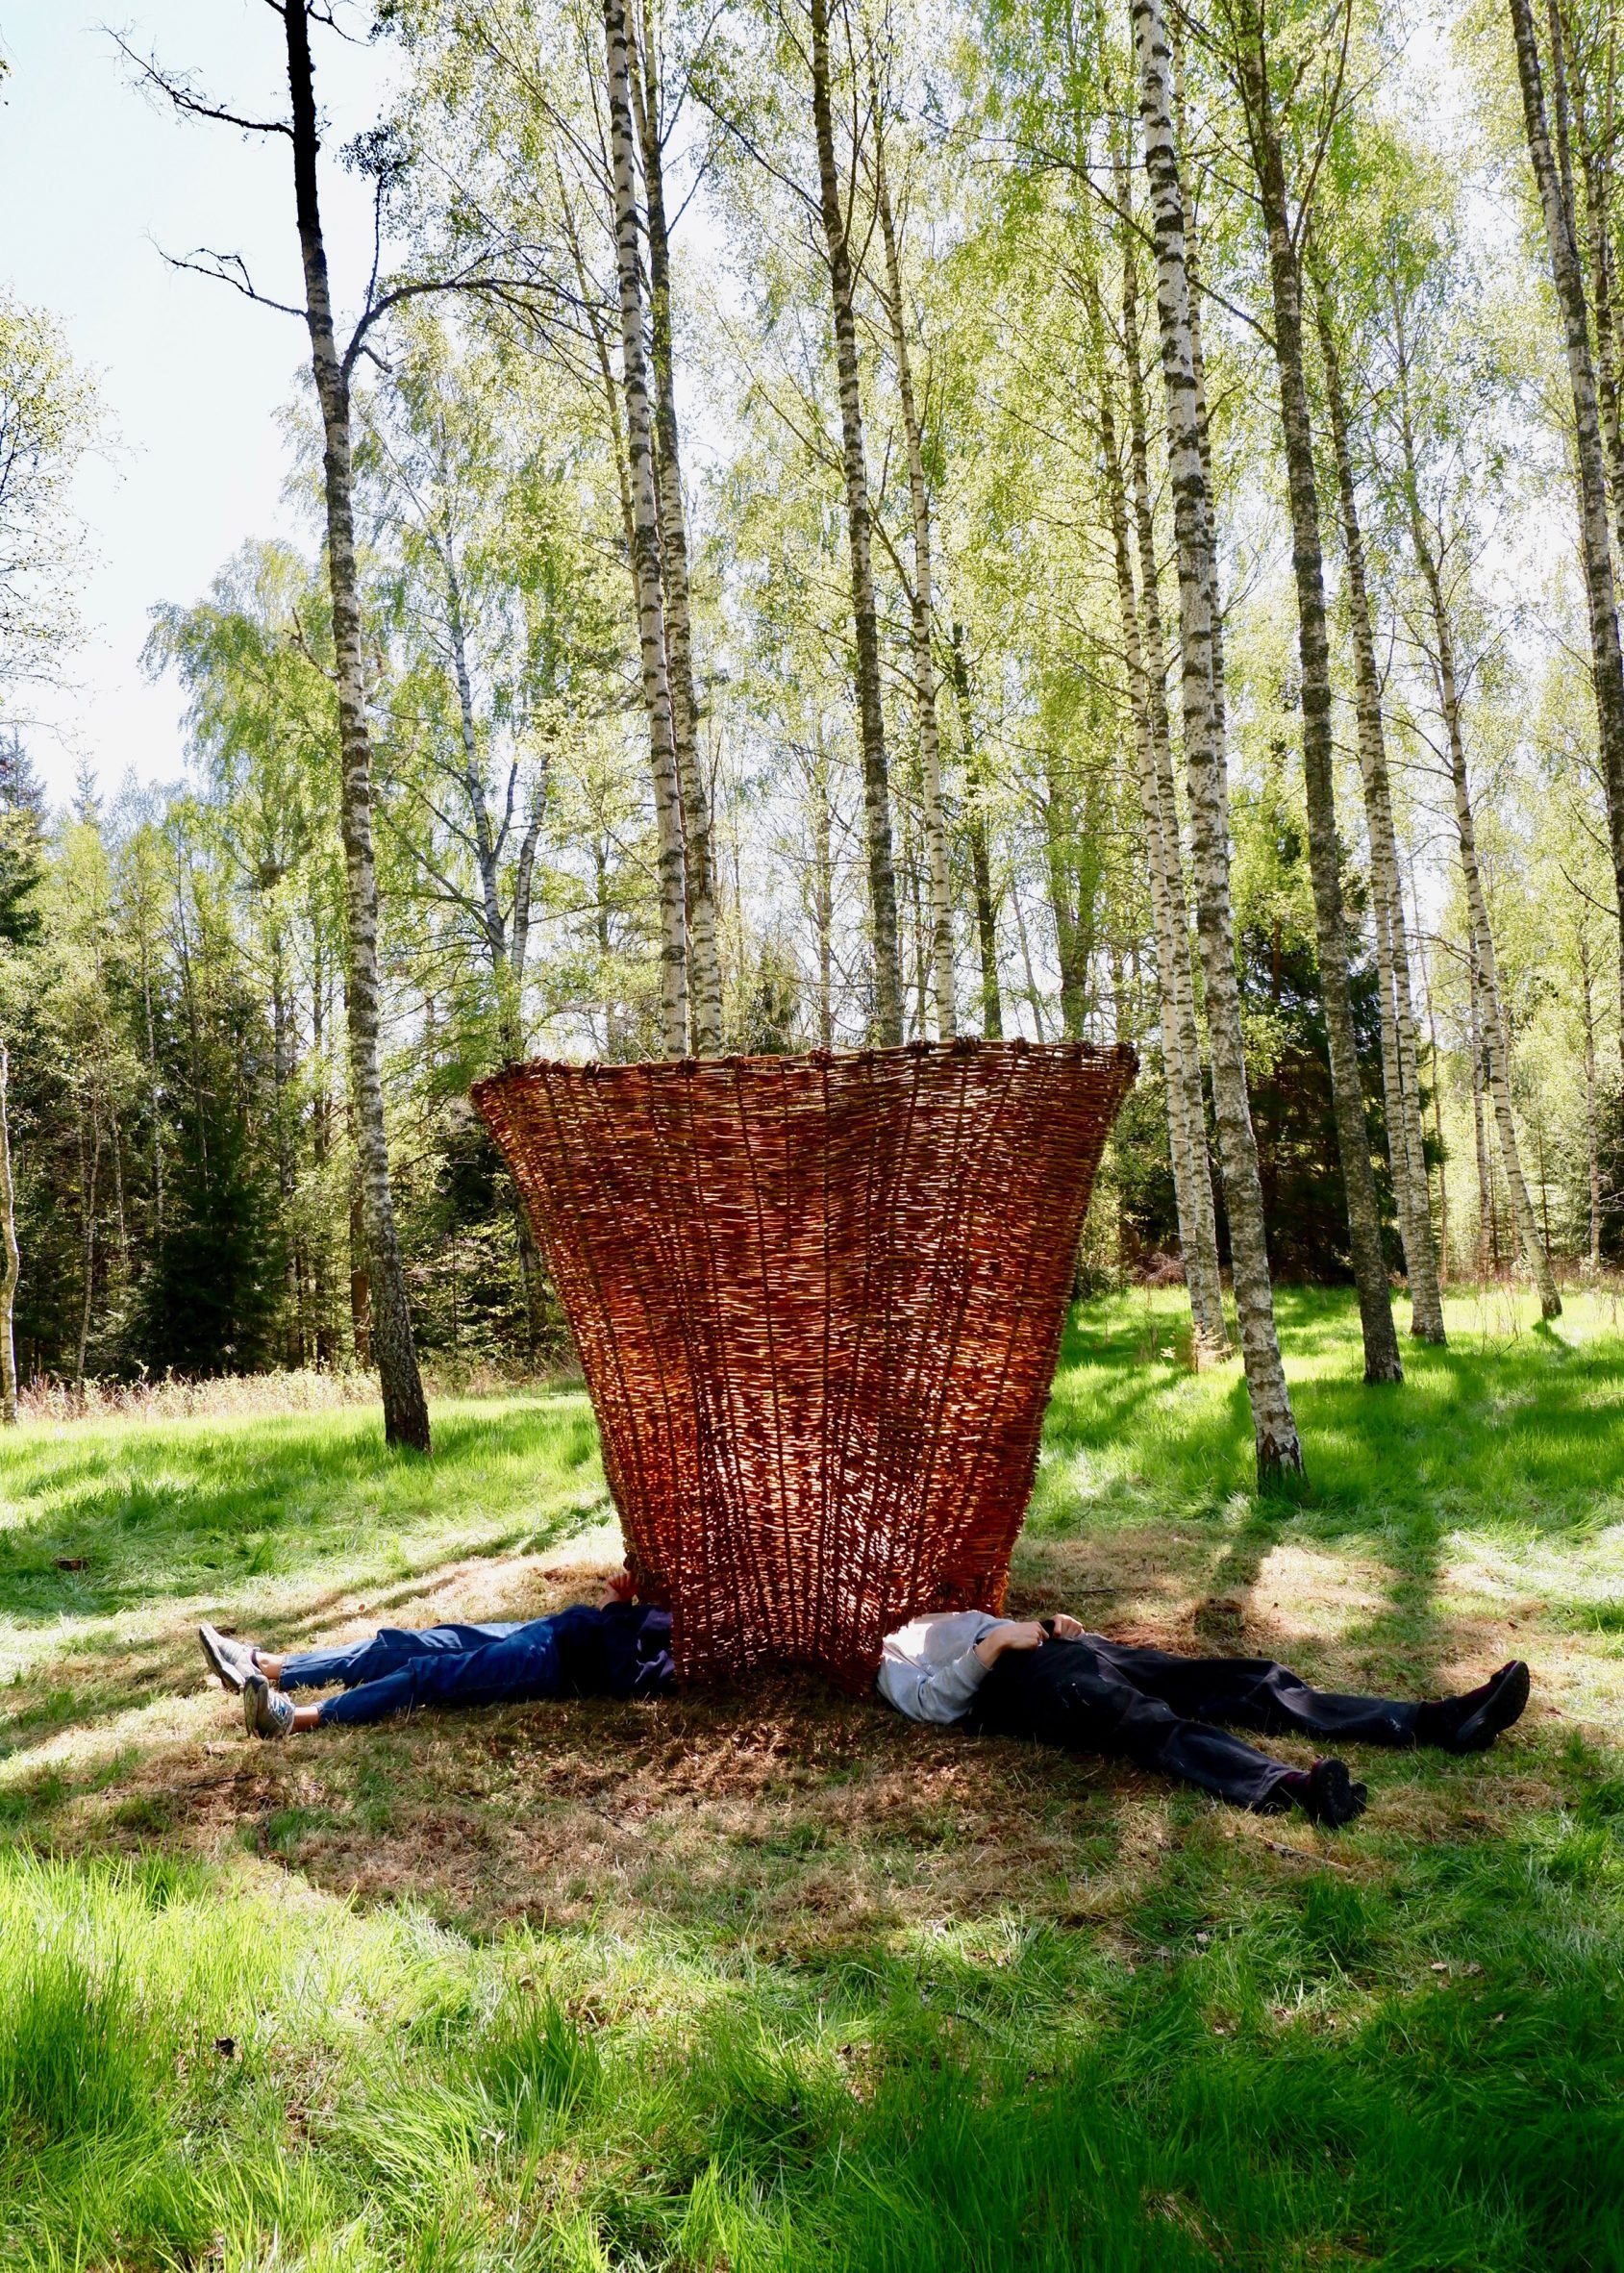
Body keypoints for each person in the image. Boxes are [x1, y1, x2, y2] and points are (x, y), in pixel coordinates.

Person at [878, 1611, 1531, 1828]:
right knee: (1145, 1722)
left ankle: (1436, 1720)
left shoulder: (941, 1606)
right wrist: (994, 1648)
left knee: (1244, 1681)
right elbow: (934, 1705)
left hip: (1074, 1650)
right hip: (1026, 1688)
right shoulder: (886, 1653)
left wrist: (1050, 1626)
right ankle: (1294, 1788)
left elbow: (1011, 1631)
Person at [200, 1578, 673, 1739]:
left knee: (425, 1675)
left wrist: (613, 1610)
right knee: (401, 1644)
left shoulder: (700, 1650)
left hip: (551, 1661)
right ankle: (270, 1667)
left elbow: (626, 1676)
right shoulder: (696, 1605)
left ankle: (293, 1720)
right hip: (553, 1628)